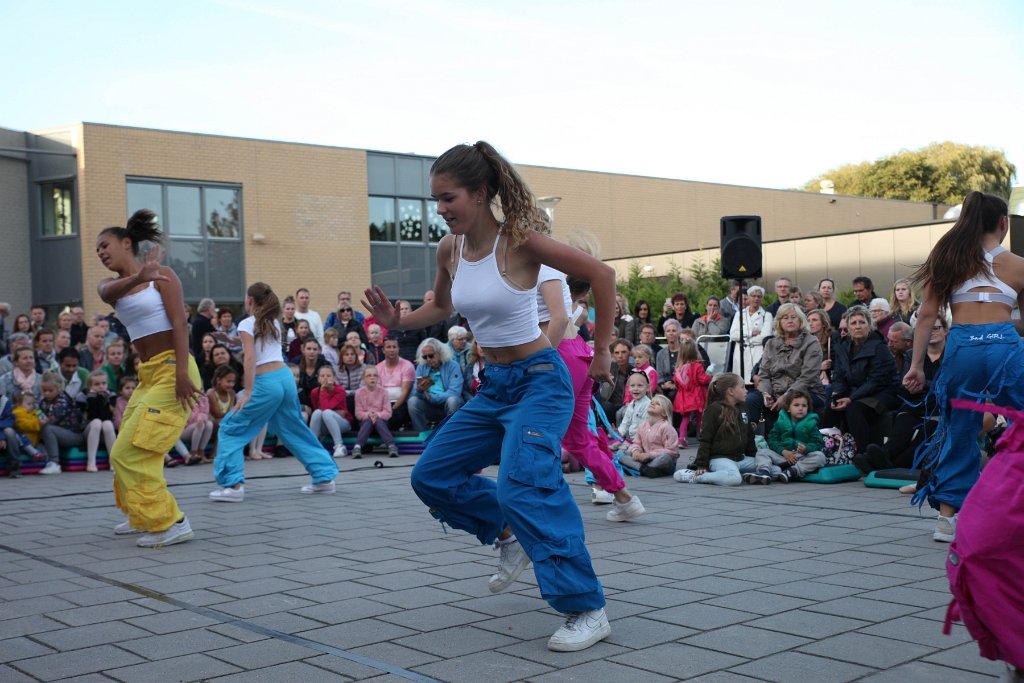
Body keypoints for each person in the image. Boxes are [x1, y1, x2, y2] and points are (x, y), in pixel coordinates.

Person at [363, 141, 615, 652]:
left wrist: (604, 351)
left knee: (527, 485)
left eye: (448, 198)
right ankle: (505, 533)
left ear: (480, 194)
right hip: (493, 385)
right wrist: (397, 321)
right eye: (435, 200)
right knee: (430, 475)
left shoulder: (521, 242)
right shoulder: (449, 249)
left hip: (540, 380)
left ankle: (586, 608)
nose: (440, 209)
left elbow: (602, 275)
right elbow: (441, 304)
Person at [903, 192, 1024, 544]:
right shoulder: (1018, 264)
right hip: (1004, 346)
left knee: (959, 429)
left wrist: (917, 366)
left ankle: (946, 521)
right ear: (1003, 223)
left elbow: (927, 316)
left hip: (962, 347)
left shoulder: (948, 258)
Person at [95, 209, 201, 548]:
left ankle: (171, 522)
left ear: (127, 242)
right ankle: (142, 515)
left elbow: (181, 325)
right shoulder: (112, 286)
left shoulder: (163, 276)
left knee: (131, 451)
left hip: (174, 368)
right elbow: (108, 293)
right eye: (97, 250)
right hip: (149, 372)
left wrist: (183, 372)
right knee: (131, 445)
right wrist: (140, 274)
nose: (100, 252)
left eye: (105, 245)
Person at [209, 283, 339, 502]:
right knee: (293, 428)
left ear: (250, 300)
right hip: (285, 378)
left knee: (231, 428)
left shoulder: (247, 323)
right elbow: (261, 346)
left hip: (265, 383)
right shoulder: (274, 323)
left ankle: (233, 486)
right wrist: (234, 340)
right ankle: (324, 477)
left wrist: (248, 392)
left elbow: (250, 358)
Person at [540, 256, 643, 517]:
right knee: (578, 438)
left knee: (537, 428)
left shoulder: (537, 272)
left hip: (560, 356)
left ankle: (545, 498)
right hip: (578, 356)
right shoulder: (559, 283)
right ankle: (623, 496)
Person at [826, 306, 899, 457]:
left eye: (862, 322)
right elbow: (839, 376)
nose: (858, 326)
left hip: (883, 393)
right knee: (830, 407)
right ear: (848, 326)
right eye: (853, 323)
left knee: (854, 409)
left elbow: (876, 381)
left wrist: (851, 398)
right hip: (856, 391)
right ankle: (827, 452)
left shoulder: (879, 347)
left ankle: (863, 454)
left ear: (869, 325)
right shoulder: (843, 346)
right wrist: (837, 393)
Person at [746, 303, 824, 429]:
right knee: (752, 399)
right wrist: (766, 393)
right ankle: (750, 439)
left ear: (800, 320)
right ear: (779, 322)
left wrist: (787, 396)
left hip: (806, 391)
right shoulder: (771, 343)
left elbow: (807, 377)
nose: (790, 320)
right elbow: (764, 374)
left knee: (792, 402)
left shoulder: (811, 342)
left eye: (793, 317)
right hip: (774, 391)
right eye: (785, 318)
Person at [674, 373, 757, 486]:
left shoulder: (743, 407)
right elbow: (705, 439)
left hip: (740, 459)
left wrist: (752, 456)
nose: (746, 390)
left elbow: (749, 435)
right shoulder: (714, 409)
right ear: (731, 391)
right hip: (719, 458)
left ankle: (734, 473)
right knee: (734, 479)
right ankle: (696, 476)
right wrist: (702, 464)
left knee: (768, 466)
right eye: (742, 387)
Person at [746, 388, 826, 484]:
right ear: (788, 408)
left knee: (820, 457)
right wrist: (783, 451)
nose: (800, 408)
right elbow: (772, 440)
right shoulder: (781, 422)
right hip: (783, 456)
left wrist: (807, 448)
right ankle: (764, 472)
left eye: (804, 406)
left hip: (801, 457)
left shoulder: (811, 423)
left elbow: (818, 443)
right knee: (762, 452)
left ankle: (793, 471)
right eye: (796, 405)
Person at [619, 394, 678, 477]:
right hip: (644, 459)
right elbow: (636, 443)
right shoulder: (643, 425)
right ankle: (646, 470)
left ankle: (638, 469)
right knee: (622, 455)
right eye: (652, 402)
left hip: (659, 461)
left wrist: (650, 455)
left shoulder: (667, 427)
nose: (652, 404)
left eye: (657, 404)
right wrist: (636, 451)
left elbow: (672, 452)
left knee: (665, 458)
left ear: (664, 413)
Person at [352, 365, 398, 459]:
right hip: (365, 423)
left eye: (375, 375)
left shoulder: (384, 392)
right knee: (369, 420)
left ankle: (391, 446)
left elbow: (388, 413)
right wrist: (369, 415)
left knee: (377, 420)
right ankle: (357, 447)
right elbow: (358, 413)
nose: (372, 377)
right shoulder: (359, 393)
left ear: (378, 378)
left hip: (381, 422)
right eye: (369, 375)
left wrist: (377, 415)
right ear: (364, 378)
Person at [729, 285, 772, 383]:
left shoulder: (766, 315)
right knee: (740, 382)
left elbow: (765, 337)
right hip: (740, 353)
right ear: (748, 297)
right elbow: (733, 335)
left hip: (757, 352)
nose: (756, 298)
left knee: (754, 381)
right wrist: (750, 333)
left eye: (759, 296)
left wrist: (743, 337)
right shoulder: (739, 314)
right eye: (753, 296)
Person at [673, 338, 711, 448]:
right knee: (700, 417)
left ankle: (681, 439)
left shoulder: (679, 368)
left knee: (685, 418)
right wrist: (709, 373)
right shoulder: (697, 366)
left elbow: (676, 383)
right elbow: (703, 380)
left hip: (684, 397)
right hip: (697, 396)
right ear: (695, 351)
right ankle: (702, 438)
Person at [309, 364, 352, 459]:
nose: (325, 378)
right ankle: (314, 446)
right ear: (318, 379)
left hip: (343, 423)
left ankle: (339, 446)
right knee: (317, 412)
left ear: (334, 378)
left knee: (327, 412)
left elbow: (326, 407)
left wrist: (323, 390)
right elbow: (319, 410)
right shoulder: (314, 392)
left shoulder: (340, 390)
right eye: (322, 376)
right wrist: (336, 411)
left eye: (328, 376)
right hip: (326, 422)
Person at [377, 335, 415, 431]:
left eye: (394, 347)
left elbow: (405, 393)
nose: (392, 350)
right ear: (383, 350)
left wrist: (392, 410)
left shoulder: (407, 366)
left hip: (400, 404)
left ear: (398, 349)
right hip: (383, 405)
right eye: (388, 347)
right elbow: (377, 393)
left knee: (390, 418)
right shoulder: (378, 368)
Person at [82, 371, 117, 473]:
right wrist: (93, 397)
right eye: (97, 384)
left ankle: (113, 461)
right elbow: (92, 415)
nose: (101, 386)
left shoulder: (111, 395)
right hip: (89, 431)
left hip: (106, 431)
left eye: (104, 383)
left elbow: (107, 416)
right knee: (97, 422)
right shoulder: (84, 395)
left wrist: (103, 398)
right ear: (90, 386)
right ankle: (91, 462)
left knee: (107, 423)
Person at [613, 371, 652, 452]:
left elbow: (645, 427)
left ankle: (629, 447)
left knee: (624, 453)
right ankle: (625, 444)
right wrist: (619, 432)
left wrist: (635, 443)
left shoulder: (648, 405)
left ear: (647, 388)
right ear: (628, 388)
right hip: (632, 439)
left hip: (642, 441)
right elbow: (625, 423)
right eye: (632, 386)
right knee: (618, 449)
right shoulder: (631, 405)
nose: (636, 388)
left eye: (640, 385)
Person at [599, 339, 632, 421]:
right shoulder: (608, 369)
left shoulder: (635, 370)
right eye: (617, 353)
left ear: (630, 353)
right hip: (610, 404)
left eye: (623, 352)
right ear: (613, 355)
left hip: (629, 403)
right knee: (606, 406)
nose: (620, 356)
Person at [654, 319, 682, 401]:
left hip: (682, 386)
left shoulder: (685, 351)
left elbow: (688, 374)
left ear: (679, 333)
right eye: (668, 331)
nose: (671, 333)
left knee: (672, 395)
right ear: (665, 334)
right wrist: (663, 384)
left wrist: (675, 385)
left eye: (674, 330)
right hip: (665, 387)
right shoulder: (660, 353)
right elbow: (659, 374)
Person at [190, 298, 216, 363]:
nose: (214, 310)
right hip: (202, 356)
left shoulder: (198, 320)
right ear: (209, 308)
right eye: (213, 308)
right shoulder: (203, 322)